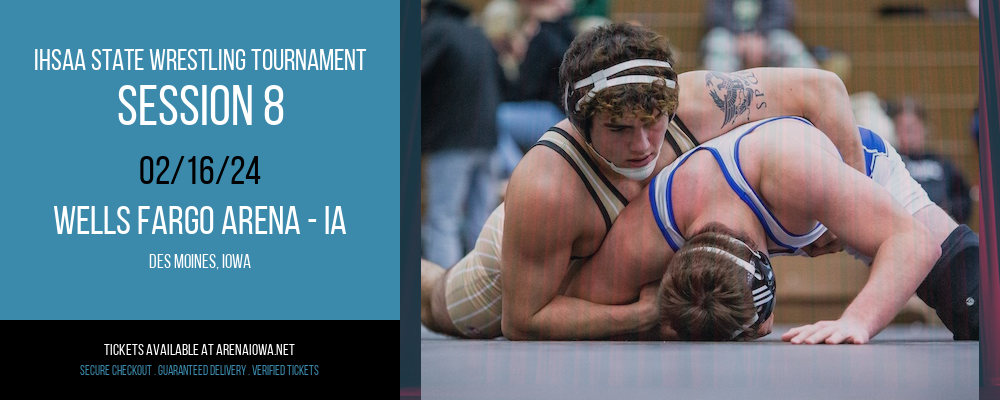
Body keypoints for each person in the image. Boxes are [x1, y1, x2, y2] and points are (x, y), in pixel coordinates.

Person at [421, 23, 867, 340]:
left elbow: (823, 89)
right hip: (524, 262)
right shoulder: (547, 186)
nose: (642, 145)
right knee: (437, 303)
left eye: (653, 123)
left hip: (616, 270)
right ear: (582, 123)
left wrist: (850, 212)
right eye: (618, 129)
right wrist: (646, 316)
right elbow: (522, 321)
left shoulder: (696, 101)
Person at [564, 116, 978, 342]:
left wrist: (857, 322)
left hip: (858, 179)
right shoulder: (648, 232)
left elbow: (916, 243)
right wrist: (654, 312)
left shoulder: (796, 174)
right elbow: (572, 299)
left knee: (976, 303)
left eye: (758, 328)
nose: (766, 330)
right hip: (803, 201)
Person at [421, 0, 505, 267]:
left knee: (443, 220)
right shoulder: (478, 35)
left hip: (451, 142)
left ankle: (441, 295)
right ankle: (481, 291)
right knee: (482, 224)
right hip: (488, 140)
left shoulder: (435, 32)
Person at [888, 96, 972, 224]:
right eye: (902, 129)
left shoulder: (944, 164)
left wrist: (948, 211)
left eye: (912, 129)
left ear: (924, 128)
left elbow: (963, 200)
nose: (907, 136)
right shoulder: (891, 162)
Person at [701, 0, 818, 72]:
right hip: (730, 36)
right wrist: (741, 36)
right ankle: (719, 99)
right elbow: (715, 16)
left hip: (768, 37)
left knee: (788, 45)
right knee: (718, 44)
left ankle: (814, 92)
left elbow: (783, 15)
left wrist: (760, 35)